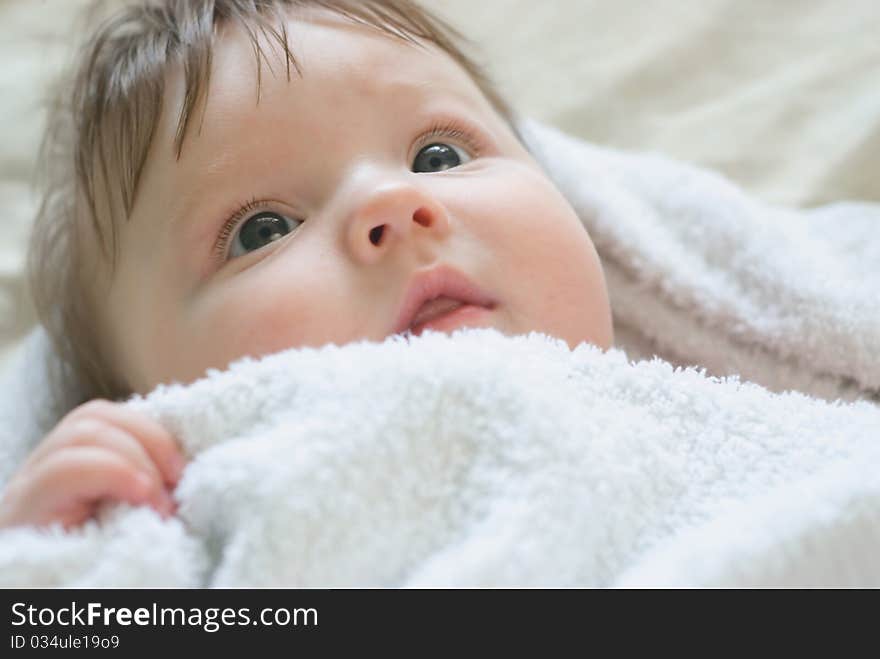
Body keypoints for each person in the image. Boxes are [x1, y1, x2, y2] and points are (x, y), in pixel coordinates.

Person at [0, 0, 613, 530]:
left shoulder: (694, 433)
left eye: (438, 155)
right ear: (147, 411)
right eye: (263, 231)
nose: (392, 204)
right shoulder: (168, 552)